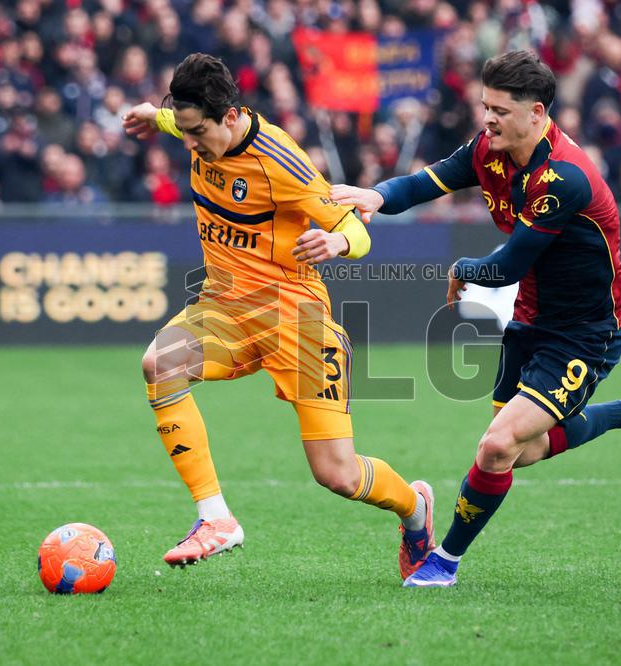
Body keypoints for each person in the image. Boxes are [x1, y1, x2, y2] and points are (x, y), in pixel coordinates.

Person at [331, 51, 621, 588]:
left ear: (537, 113)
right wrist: (376, 195)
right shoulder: (491, 148)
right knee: (521, 451)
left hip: (586, 333)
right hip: (531, 318)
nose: (488, 119)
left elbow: (506, 266)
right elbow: (428, 181)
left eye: (500, 110)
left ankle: (443, 562)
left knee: (497, 447)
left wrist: (461, 268)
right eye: (486, 106)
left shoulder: (563, 178)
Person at [122, 53, 434, 575]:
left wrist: (337, 241)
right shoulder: (197, 123)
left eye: (197, 132)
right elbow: (174, 120)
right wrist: (152, 116)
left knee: (337, 474)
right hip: (224, 308)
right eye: (184, 129)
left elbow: (355, 229)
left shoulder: (279, 162)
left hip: (296, 319)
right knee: (160, 363)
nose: (190, 143)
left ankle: (416, 507)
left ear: (230, 116)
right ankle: (216, 518)